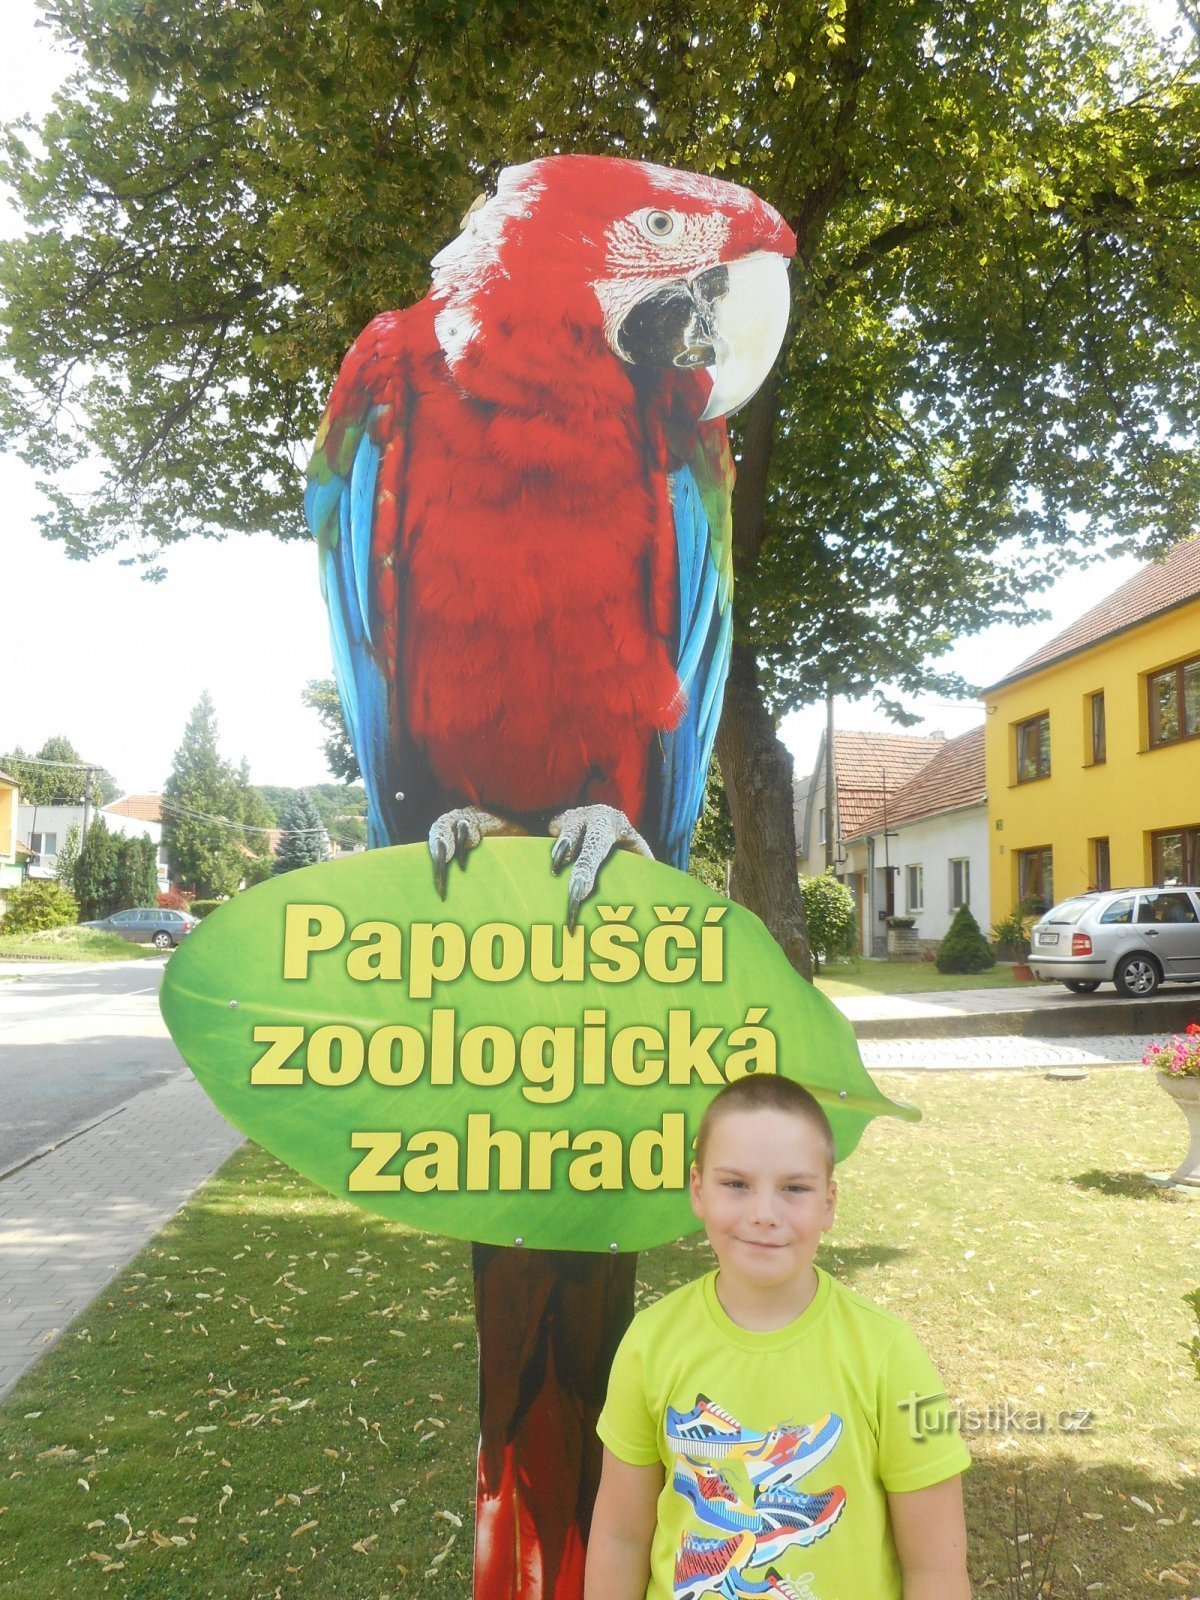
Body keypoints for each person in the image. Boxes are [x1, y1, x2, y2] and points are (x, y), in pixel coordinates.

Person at [584, 1073, 972, 1600]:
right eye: (736, 1184)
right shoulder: (649, 1343)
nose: (764, 1214)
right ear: (698, 1189)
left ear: (829, 1204)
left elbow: (936, 1569)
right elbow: (620, 1537)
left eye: (794, 1188)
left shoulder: (889, 1356)